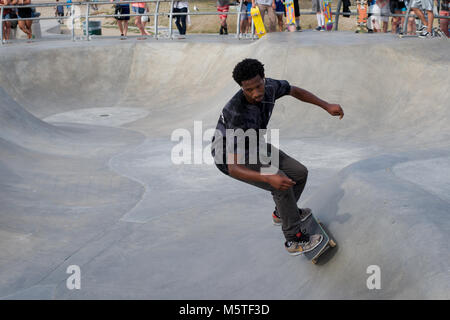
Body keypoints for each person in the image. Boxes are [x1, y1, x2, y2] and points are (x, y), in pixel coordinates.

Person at [211, 59, 344, 256]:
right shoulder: (235, 112)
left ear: (264, 79)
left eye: (258, 86)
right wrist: (267, 177)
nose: (256, 93)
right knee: (279, 183)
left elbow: (295, 91)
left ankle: (282, 213)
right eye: (249, 90)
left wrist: (325, 105)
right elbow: (234, 168)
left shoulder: (271, 86)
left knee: (299, 173)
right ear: (241, 88)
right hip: (230, 156)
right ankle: (294, 239)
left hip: (255, 144)